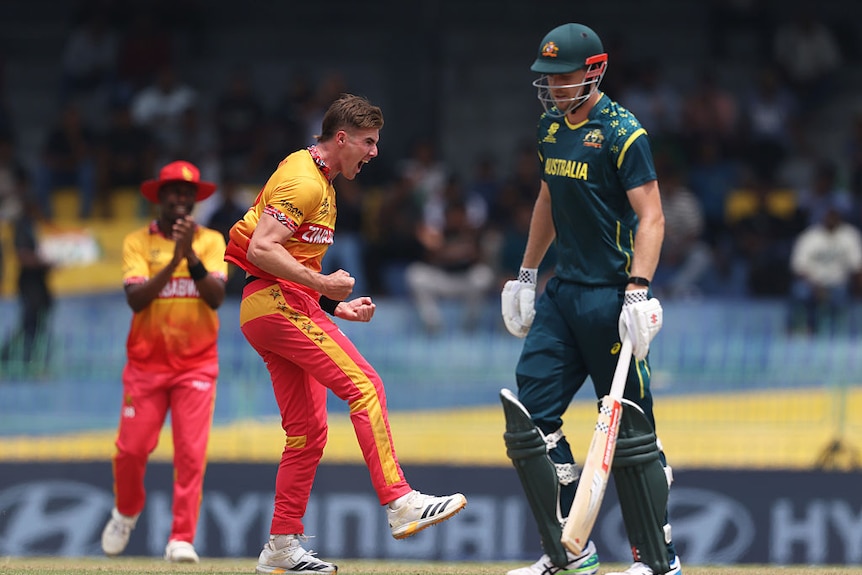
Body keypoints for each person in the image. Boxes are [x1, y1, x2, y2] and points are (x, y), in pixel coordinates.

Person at [224, 93, 467, 574]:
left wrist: (335, 304)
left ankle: (281, 546)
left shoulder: (324, 184)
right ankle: (400, 502)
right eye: (369, 142)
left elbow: (292, 259)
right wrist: (321, 285)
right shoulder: (302, 179)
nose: (375, 152)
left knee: (308, 433)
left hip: (272, 305)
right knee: (366, 386)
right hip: (274, 301)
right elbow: (262, 248)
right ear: (341, 138)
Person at [499, 24, 682, 575]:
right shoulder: (551, 127)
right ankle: (568, 551)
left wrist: (639, 290)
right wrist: (527, 274)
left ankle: (657, 560)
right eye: (546, 78)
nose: (553, 86)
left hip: (613, 296)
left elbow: (652, 216)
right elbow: (548, 197)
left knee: (629, 431)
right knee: (531, 416)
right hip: (564, 294)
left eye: (563, 76)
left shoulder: (625, 133)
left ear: (594, 70)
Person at [100, 160, 227, 564]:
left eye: (187, 194)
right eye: (173, 191)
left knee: (191, 453)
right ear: (159, 196)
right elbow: (136, 300)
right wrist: (173, 260)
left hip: (196, 366)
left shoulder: (210, 241)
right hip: (146, 366)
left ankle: (181, 538)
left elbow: (216, 297)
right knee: (131, 451)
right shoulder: (138, 242)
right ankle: (127, 509)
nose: (180, 199)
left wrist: (189, 255)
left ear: (194, 200)